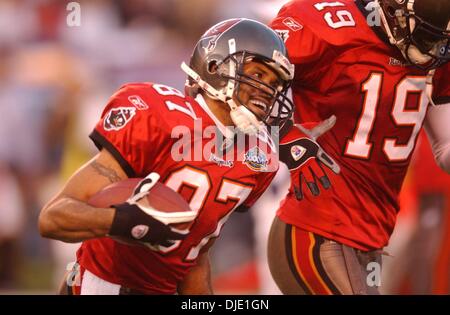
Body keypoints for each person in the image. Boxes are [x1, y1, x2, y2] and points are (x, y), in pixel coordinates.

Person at [38, 18, 334, 295]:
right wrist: (123, 221)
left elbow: (197, 253)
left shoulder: (258, 155)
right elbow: (53, 218)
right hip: (102, 284)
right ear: (217, 66)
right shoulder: (157, 114)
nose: (267, 90)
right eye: (258, 74)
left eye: (274, 82)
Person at [267, 0, 450, 294]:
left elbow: (445, 147)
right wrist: (283, 134)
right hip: (317, 228)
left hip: (372, 241)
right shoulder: (329, 26)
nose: (433, 46)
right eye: (428, 34)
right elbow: (248, 71)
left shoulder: (438, 46)